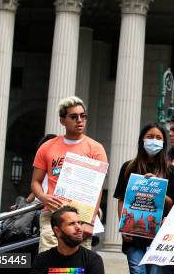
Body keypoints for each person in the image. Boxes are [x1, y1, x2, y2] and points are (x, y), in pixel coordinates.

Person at [31, 97, 107, 253]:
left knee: (76, 267)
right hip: (52, 216)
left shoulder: (96, 149)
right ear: (62, 120)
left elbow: (97, 190)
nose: (80, 120)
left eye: (83, 116)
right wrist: (44, 197)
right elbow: (35, 182)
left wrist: (90, 222)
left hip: (81, 218)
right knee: (49, 264)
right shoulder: (47, 147)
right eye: (74, 117)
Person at [113, 122, 174, 274]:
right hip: (133, 234)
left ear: (163, 143)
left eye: (158, 137)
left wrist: (157, 188)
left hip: (158, 235)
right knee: (137, 271)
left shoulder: (170, 170)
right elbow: (122, 199)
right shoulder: (128, 167)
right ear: (142, 140)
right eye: (150, 137)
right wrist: (123, 226)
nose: (154, 141)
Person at [31, 205, 104, 274]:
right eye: (72, 224)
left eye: (79, 223)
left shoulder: (93, 260)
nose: (78, 227)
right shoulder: (41, 260)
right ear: (57, 231)